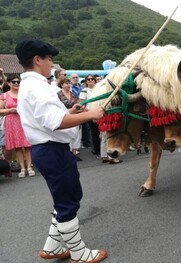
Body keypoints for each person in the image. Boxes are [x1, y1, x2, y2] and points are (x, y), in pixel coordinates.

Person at [15, 38, 107, 262]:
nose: (52, 64)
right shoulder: (37, 86)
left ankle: (52, 247)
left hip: (48, 149)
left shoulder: (32, 85)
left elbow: (51, 118)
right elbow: (54, 122)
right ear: (37, 60)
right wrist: (91, 115)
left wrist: (74, 112)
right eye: (49, 59)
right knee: (68, 199)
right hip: (52, 150)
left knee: (63, 198)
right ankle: (79, 253)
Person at [0, 74, 35, 178]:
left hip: (24, 120)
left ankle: (30, 167)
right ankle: (22, 168)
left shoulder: (24, 94)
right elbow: (0, 110)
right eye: (14, 82)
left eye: (18, 82)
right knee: (18, 147)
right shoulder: (4, 96)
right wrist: (11, 110)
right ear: (9, 83)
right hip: (11, 121)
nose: (16, 83)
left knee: (28, 145)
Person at [57, 77, 82, 161]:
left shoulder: (73, 94)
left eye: (69, 83)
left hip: (75, 115)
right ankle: (68, 154)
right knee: (68, 135)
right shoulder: (58, 95)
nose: (68, 85)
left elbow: (78, 103)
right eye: (66, 83)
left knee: (76, 134)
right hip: (65, 116)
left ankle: (74, 153)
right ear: (61, 85)